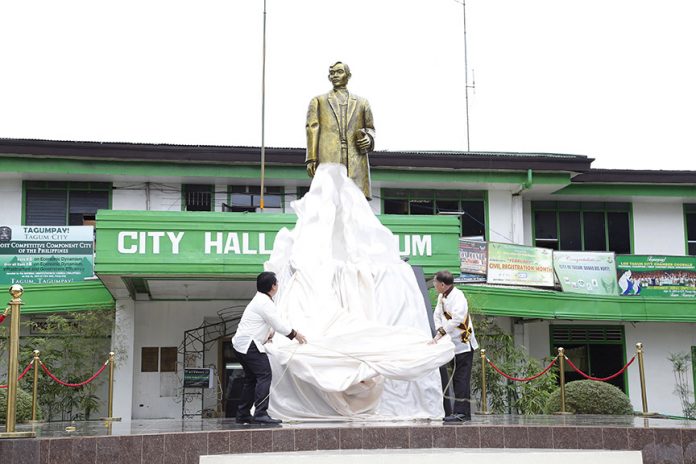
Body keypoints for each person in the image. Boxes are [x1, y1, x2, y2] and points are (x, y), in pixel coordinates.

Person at [231, 271, 307, 424]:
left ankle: (243, 413)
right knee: (264, 375)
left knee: (251, 379)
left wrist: (268, 335)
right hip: (249, 345)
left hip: (241, 344)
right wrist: (295, 335)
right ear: (273, 286)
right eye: (277, 283)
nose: (278, 285)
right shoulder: (264, 302)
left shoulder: (260, 300)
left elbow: (265, 323)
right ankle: (260, 413)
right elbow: (278, 324)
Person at [306, 61, 376, 199]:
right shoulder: (318, 101)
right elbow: (312, 128)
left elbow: (370, 128)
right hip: (329, 156)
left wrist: (368, 138)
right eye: (332, 73)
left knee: (355, 200)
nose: (335, 76)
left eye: (339, 72)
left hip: (355, 157)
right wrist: (311, 158)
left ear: (348, 75)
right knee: (329, 198)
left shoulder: (362, 103)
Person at [431, 270, 478, 422]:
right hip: (452, 344)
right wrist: (439, 329)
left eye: (435, 283)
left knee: (461, 379)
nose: (434, 285)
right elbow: (437, 314)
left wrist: (442, 333)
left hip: (463, 344)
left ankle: (462, 413)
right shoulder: (442, 296)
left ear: (443, 284)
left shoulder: (459, 297)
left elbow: (458, 319)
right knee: (457, 379)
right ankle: (461, 412)